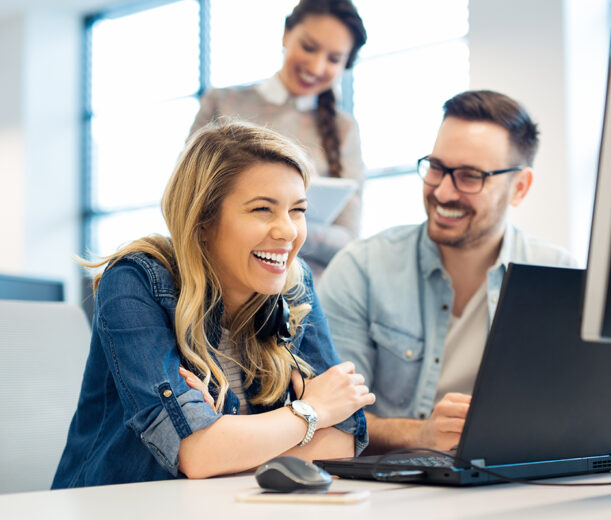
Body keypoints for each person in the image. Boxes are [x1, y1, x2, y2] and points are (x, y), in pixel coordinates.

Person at [52, 121, 374, 488]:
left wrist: (226, 437)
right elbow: (198, 454)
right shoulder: (135, 281)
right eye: (262, 210)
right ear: (203, 219)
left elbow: (343, 440)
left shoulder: (293, 285)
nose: (287, 231)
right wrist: (311, 410)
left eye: (297, 210)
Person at [317, 90, 577, 453]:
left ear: (519, 187)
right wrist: (420, 434)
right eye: (436, 168)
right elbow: (332, 417)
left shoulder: (561, 278)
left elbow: (582, 415)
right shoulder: (361, 269)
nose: (442, 191)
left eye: (470, 176)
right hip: (394, 493)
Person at [189, 0, 367, 275]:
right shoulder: (221, 103)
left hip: (305, 294)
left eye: (333, 59)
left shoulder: (344, 130)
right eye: (308, 47)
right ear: (286, 33)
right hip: (220, 281)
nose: (317, 66)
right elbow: (188, 201)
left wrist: (276, 227)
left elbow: (348, 238)